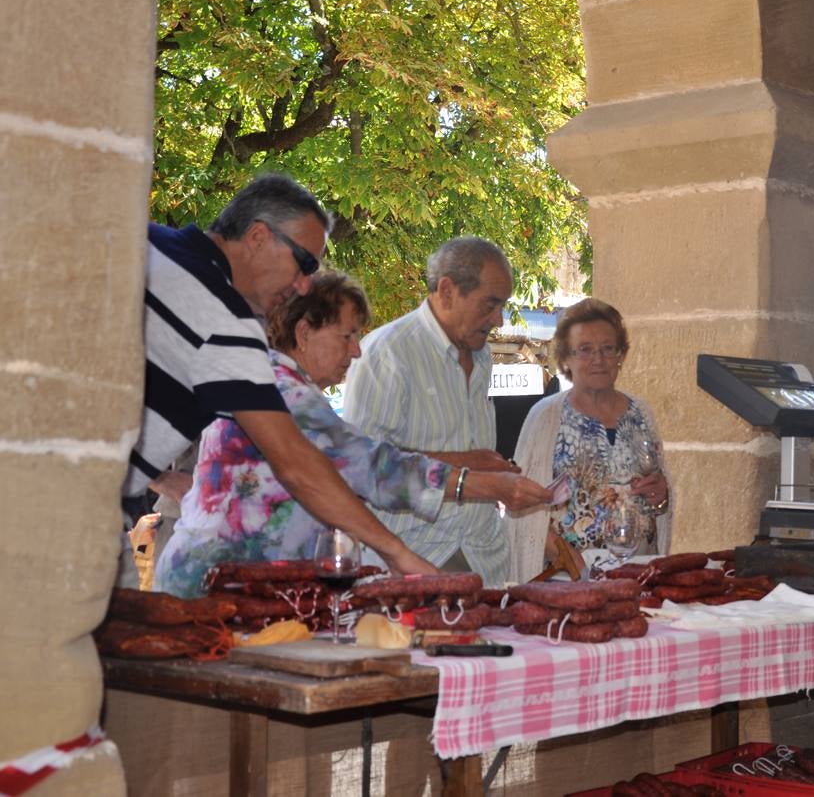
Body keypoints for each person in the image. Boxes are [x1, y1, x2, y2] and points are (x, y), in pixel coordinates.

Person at [155, 272, 550, 597]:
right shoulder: (282, 391)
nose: (357, 351)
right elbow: (372, 466)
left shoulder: (275, 383)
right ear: (304, 332)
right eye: (347, 336)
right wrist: (480, 486)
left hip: (239, 588)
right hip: (213, 593)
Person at [126, 172, 437, 578]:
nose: (304, 284)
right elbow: (296, 464)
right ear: (257, 237)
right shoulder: (228, 320)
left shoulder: (145, 244)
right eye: (304, 262)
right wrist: (398, 554)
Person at [344, 237, 526, 586]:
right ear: (447, 291)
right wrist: (472, 465)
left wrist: (495, 474)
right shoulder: (388, 354)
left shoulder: (482, 354)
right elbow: (362, 467)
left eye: (502, 306)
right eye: (490, 305)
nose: (499, 320)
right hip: (412, 563)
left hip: (484, 562)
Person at [507, 298, 672, 585]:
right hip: (565, 580)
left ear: (621, 354)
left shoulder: (641, 412)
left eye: (608, 349)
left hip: (637, 578)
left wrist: (662, 497)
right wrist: (571, 561)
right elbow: (521, 506)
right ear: (565, 358)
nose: (598, 359)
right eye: (585, 350)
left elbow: (660, 495)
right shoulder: (546, 417)